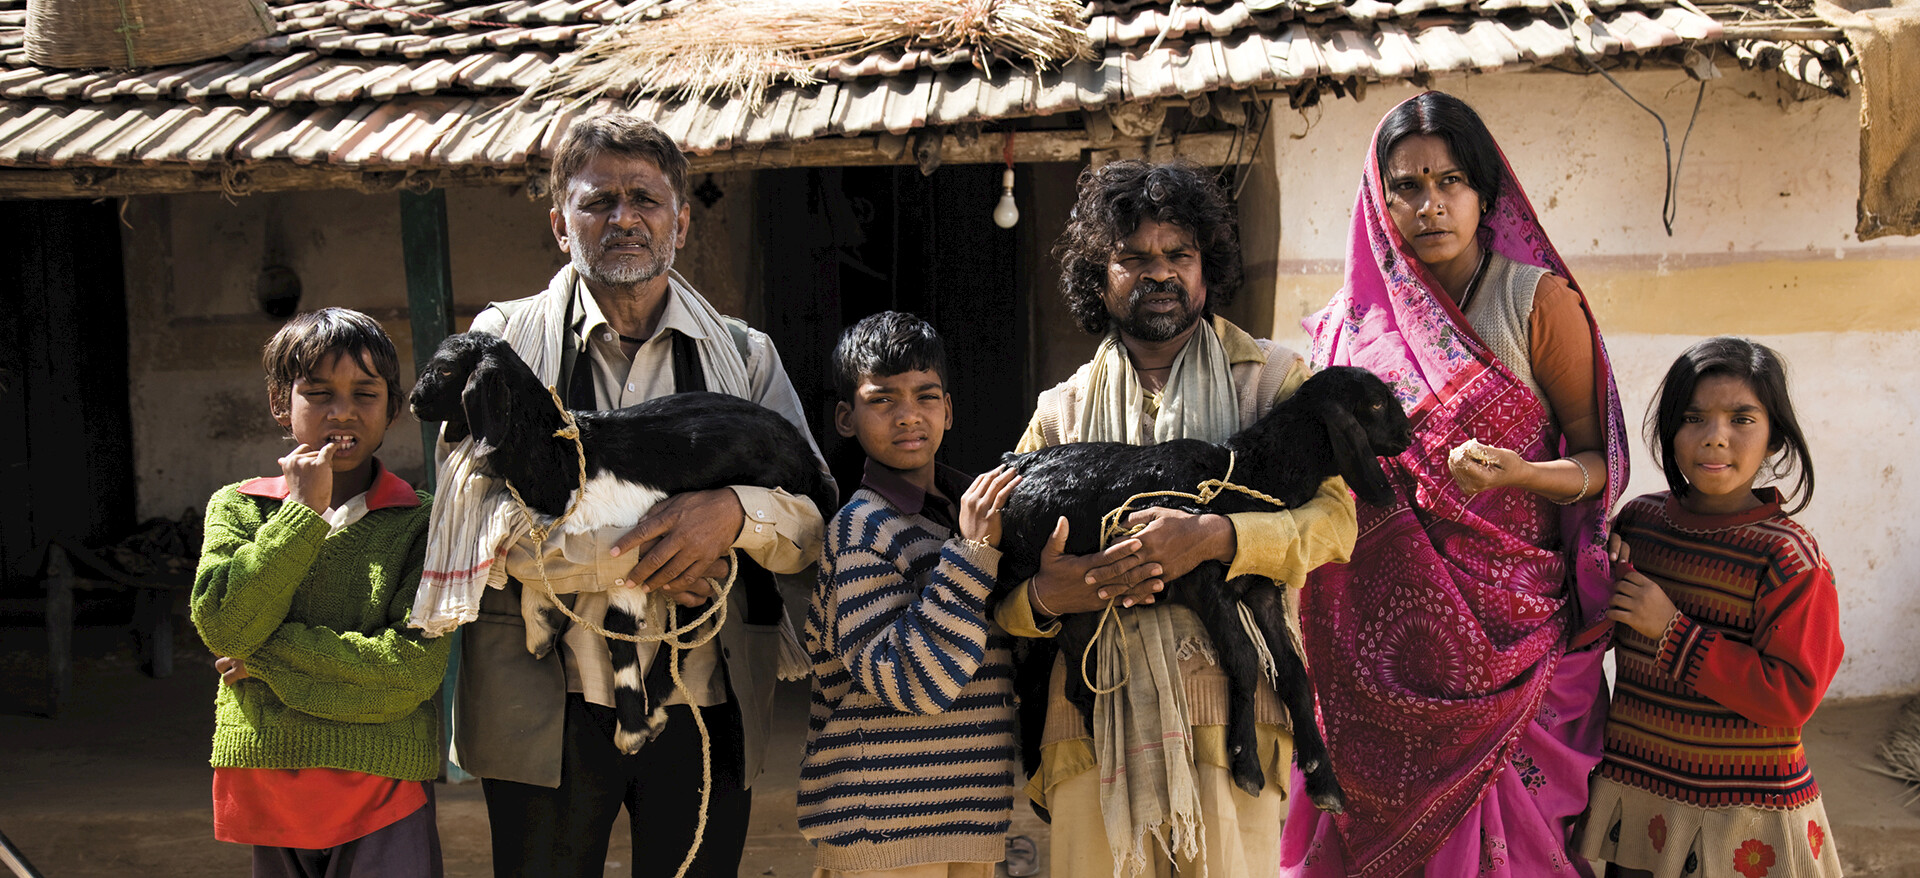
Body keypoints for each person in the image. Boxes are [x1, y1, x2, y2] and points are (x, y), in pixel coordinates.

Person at [443, 114, 832, 878]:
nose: (623, 218)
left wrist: (734, 516)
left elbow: (815, 517)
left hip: (704, 701)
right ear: (561, 225)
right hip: (544, 705)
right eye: (598, 202)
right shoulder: (502, 347)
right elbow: (475, 516)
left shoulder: (745, 357)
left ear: (680, 222)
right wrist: (644, 557)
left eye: (645, 199)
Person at [1282, 90, 1629, 876]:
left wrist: (1523, 473)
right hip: (1375, 667)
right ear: (1380, 200)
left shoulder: (1535, 304)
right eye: (1406, 186)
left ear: (1484, 193)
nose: (1429, 205)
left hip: (1516, 645)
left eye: (1450, 182)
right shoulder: (1349, 328)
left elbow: (1597, 460)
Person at [994, 159, 1359, 878]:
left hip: (1233, 724)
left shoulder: (1271, 383)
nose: (1159, 272)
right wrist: (1050, 597)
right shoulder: (1060, 414)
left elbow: (1336, 521)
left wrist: (1218, 537)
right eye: (1133, 257)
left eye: (1178, 254)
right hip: (1089, 728)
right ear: (1098, 277)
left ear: (1206, 266)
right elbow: (1003, 585)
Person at [190, 307, 450, 877]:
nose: (343, 412)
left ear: (393, 407)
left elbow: (410, 673)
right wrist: (302, 512)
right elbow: (225, 627)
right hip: (269, 783)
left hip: (384, 786)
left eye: (365, 394)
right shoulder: (239, 507)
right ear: (279, 403)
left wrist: (264, 658)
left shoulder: (422, 522)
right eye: (318, 393)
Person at [1576, 337, 1843, 877]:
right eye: (1693, 418)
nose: (1715, 437)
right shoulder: (1639, 525)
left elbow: (1791, 696)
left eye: (1741, 419)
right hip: (1642, 791)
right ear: (1670, 431)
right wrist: (1599, 567)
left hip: (1740, 813)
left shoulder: (1788, 558)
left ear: (1774, 438)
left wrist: (1672, 631)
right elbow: (1588, 631)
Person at [799, 311, 1025, 877]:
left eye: (925, 396)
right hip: (880, 826)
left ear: (947, 409)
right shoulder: (862, 528)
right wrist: (974, 555)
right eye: (882, 400)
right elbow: (911, 681)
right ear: (846, 418)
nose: (908, 415)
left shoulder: (967, 516)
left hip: (970, 816)